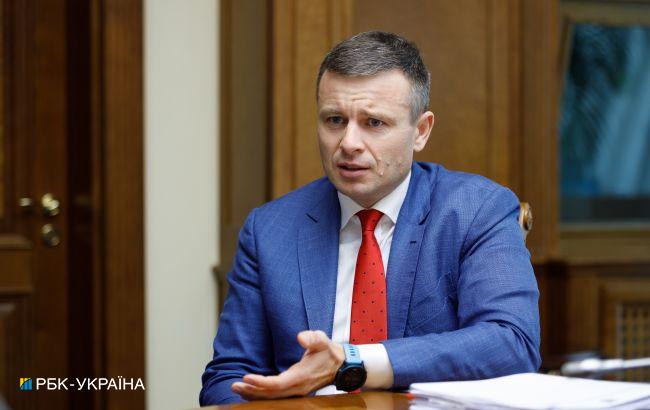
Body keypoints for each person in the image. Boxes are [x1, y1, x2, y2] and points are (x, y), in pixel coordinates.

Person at [200, 31, 540, 405]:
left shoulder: (476, 209)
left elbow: (511, 341)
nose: (348, 143)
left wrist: (352, 361)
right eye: (334, 120)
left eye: (374, 123)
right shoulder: (269, 230)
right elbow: (227, 377)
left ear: (420, 131)